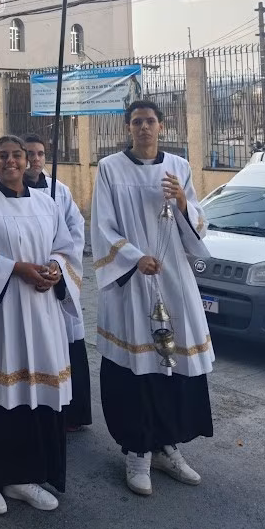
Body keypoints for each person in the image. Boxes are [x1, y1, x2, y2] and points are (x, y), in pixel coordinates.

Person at [0, 135, 80, 516]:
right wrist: (17, 269)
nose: (11, 161)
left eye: (17, 156)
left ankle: (21, 475)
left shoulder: (46, 203)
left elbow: (66, 247)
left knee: (30, 396)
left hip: (40, 314)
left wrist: (56, 268)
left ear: (28, 161)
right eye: (3, 156)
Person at [92, 100, 213, 497]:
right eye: (136, 122)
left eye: (150, 121)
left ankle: (166, 446)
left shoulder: (178, 167)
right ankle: (138, 452)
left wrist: (180, 201)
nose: (144, 127)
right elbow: (103, 227)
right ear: (127, 128)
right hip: (132, 281)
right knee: (136, 369)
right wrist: (132, 257)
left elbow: (197, 224)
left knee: (173, 367)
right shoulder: (110, 169)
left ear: (162, 126)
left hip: (173, 278)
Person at [23, 134, 91, 431]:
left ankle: (69, 413)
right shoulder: (10, 191)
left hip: (56, 276)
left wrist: (58, 265)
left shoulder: (59, 191)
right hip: (27, 279)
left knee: (67, 343)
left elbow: (75, 231)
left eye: (40, 153)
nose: (36, 158)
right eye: (30, 153)